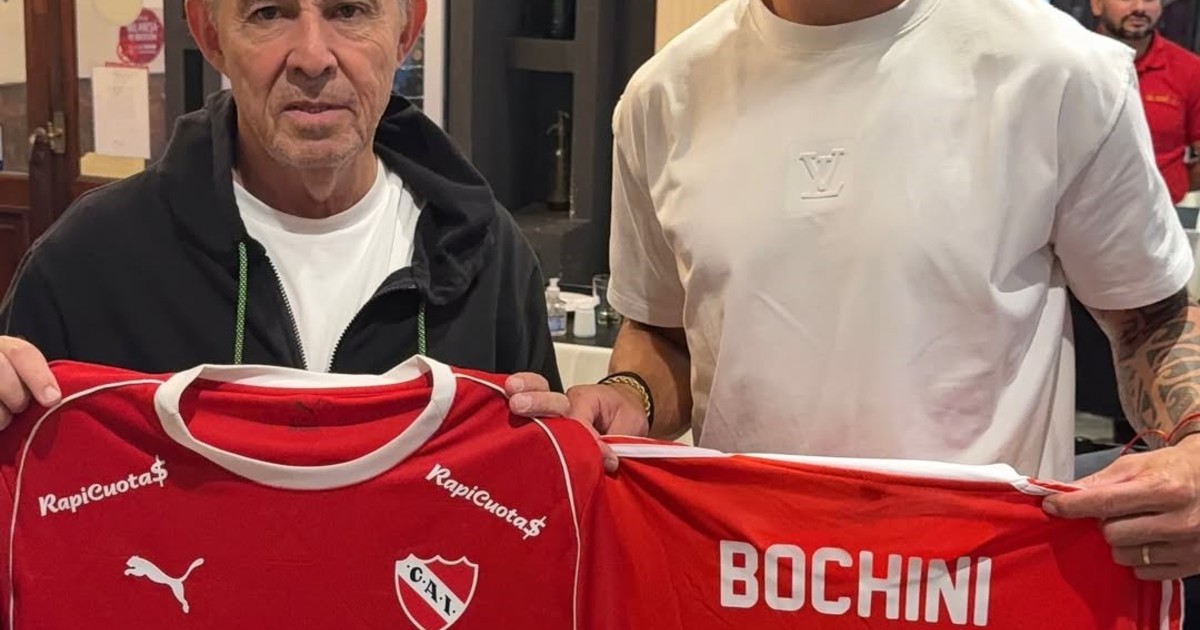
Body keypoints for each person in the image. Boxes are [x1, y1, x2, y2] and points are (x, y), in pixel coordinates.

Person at [555, 0, 1200, 583]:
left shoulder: (1059, 71)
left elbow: (1152, 317)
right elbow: (665, 330)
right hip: (744, 577)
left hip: (977, 587)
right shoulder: (663, 95)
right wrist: (629, 395)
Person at [0, 0, 581, 454]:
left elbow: (533, 510)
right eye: (268, 13)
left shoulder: (488, 256)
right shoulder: (89, 263)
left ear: (406, 30)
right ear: (210, 35)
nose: (312, 56)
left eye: (349, 11)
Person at [1094, 0, 1200, 205]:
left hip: (1161, 215)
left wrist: (1169, 186)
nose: (1139, 8)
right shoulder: (1069, 64)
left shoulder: (1190, 70)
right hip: (1074, 216)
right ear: (1096, 5)